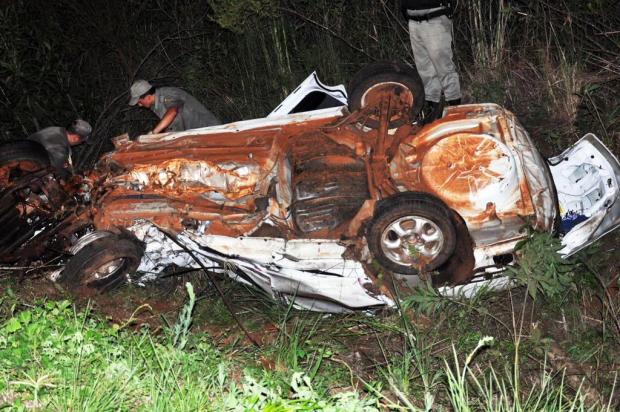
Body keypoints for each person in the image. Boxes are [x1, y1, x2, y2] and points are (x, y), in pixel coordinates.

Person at [401, 0, 461, 122]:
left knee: (444, 67)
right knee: (425, 70)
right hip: (413, 20)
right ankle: (433, 111)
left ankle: (456, 109)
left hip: (435, 18)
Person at [128, 80, 221, 133]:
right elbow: (172, 125)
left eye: (139, 101)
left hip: (210, 130)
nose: (139, 105)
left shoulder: (168, 94)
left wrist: (154, 133)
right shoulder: (156, 106)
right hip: (194, 135)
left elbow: (172, 112)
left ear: (148, 97)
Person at [27, 119, 92, 176]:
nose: (80, 143)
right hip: (23, 168)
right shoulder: (59, 145)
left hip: (26, 157)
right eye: (81, 141)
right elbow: (61, 171)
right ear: (75, 138)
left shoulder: (57, 130)